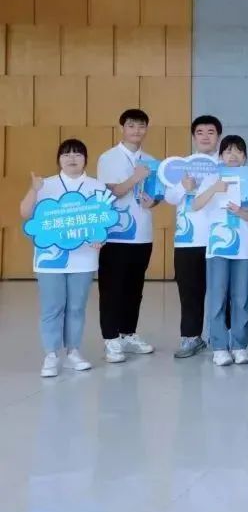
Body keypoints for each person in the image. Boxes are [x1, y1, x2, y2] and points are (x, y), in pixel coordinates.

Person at [19, 139, 107, 377]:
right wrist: (33, 190)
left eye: (77, 154)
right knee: (52, 307)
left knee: (76, 307)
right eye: (66, 154)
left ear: (85, 159)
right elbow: (25, 213)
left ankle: (73, 352)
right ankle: (51, 354)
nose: (72, 158)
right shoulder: (44, 184)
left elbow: (105, 219)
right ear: (59, 159)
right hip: (50, 259)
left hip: (84, 257)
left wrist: (101, 238)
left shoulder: (97, 186)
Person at [96, 109, 158, 364]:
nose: (136, 130)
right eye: (131, 125)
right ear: (122, 127)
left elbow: (155, 195)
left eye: (141, 126)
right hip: (116, 234)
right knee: (112, 288)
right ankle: (111, 338)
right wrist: (135, 177)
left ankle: (128, 333)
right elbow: (111, 193)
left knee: (135, 288)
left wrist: (153, 201)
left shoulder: (151, 160)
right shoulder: (108, 158)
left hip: (142, 234)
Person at [192, 135, 248, 367]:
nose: (233, 155)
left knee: (241, 298)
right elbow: (195, 205)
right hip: (218, 246)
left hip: (243, 246)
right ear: (220, 156)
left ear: (245, 157)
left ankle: (239, 346)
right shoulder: (212, 177)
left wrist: (241, 212)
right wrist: (215, 188)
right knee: (217, 297)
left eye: (238, 151)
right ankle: (219, 347)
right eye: (228, 151)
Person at [167, 114, 223, 359]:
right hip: (188, 239)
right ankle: (191, 337)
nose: (205, 137)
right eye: (200, 132)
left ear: (218, 136)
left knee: (221, 292)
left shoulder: (227, 165)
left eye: (211, 132)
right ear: (193, 137)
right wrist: (183, 186)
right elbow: (169, 198)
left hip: (220, 238)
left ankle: (221, 338)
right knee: (190, 291)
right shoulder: (181, 166)